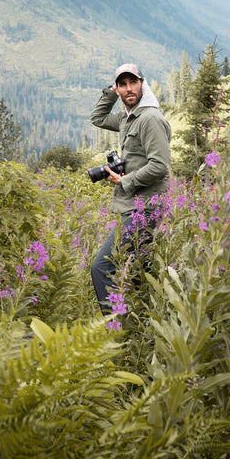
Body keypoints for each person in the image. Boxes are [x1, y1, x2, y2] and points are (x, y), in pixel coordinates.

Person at [89, 62, 172, 314]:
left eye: (133, 82)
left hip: (145, 209)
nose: (128, 89)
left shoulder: (149, 118)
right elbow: (98, 117)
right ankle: (139, 330)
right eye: (122, 84)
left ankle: (112, 329)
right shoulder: (128, 117)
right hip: (136, 207)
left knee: (101, 268)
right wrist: (110, 92)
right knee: (138, 274)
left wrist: (124, 180)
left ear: (142, 84)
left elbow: (160, 167)